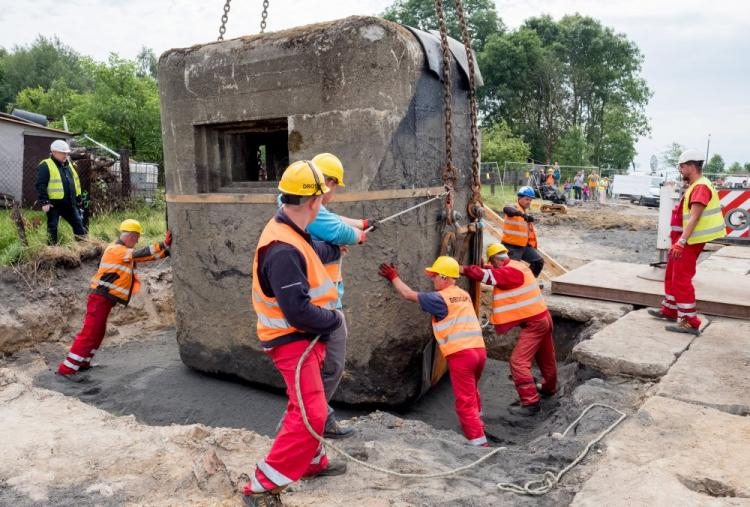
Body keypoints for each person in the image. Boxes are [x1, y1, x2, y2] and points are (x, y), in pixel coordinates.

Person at [244, 160, 347, 506]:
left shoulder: (290, 232)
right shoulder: (283, 247)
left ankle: (313, 461)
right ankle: (261, 486)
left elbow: (311, 262)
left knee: (306, 403)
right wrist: (333, 321)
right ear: (315, 201)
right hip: (292, 340)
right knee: (310, 413)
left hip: (302, 338)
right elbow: (298, 311)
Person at [300, 152, 374, 439]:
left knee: (326, 366)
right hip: (321, 304)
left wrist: (360, 222)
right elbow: (336, 229)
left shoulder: (307, 205)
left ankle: (320, 416)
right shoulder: (309, 209)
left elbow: (334, 220)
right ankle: (307, 419)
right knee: (331, 366)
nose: (333, 193)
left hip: (326, 300)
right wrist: (357, 235)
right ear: (326, 182)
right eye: (334, 186)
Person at [378, 256, 488, 446]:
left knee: (464, 402)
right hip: (479, 351)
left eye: (435, 276)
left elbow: (408, 294)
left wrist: (393, 276)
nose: (432, 279)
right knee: (472, 392)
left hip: (461, 354)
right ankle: (479, 424)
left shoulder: (439, 299)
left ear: (444, 277)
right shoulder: (463, 294)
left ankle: (479, 444)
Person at [57, 219, 171, 380]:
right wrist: (162, 244)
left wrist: (165, 251)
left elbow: (144, 257)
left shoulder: (123, 252)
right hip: (99, 298)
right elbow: (139, 254)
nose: (138, 240)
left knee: (98, 331)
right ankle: (66, 369)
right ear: (131, 236)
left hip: (103, 299)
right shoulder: (116, 250)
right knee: (90, 332)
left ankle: (83, 362)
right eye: (137, 237)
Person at [461, 243, 556, 416]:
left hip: (534, 323)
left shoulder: (510, 272)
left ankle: (530, 403)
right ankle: (549, 388)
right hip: (542, 318)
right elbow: (494, 271)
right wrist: (483, 266)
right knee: (546, 358)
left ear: (496, 260)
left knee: (518, 362)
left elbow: (490, 276)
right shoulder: (516, 265)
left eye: (493, 262)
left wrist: (464, 269)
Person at [648, 149, 726, 335]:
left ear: (691, 166)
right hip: (684, 240)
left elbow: (694, 218)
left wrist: (681, 242)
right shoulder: (694, 185)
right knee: (672, 274)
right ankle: (671, 309)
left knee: (681, 279)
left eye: (682, 166)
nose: (680, 170)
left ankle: (690, 320)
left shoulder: (700, 187)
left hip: (689, 241)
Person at [36, 140, 87, 244]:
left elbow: (75, 182)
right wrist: (45, 201)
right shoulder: (45, 165)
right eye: (63, 153)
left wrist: (78, 197)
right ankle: (52, 251)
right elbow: (41, 185)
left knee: (78, 225)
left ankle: (83, 248)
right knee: (52, 227)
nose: (66, 155)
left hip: (69, 203)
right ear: (54, 152)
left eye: (67, 153)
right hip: (54, 205)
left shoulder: (68, 165)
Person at [502, 186, 544, 277]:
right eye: (527, 199)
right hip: (511, 247)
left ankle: (528, 281)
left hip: (524, 246)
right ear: (519, 198)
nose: (529, 202)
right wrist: (522, 215)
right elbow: (506, 209)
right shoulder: (514, 207)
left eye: (530, 200)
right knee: (511, 271)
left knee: (538, 262)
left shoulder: (525, 212)